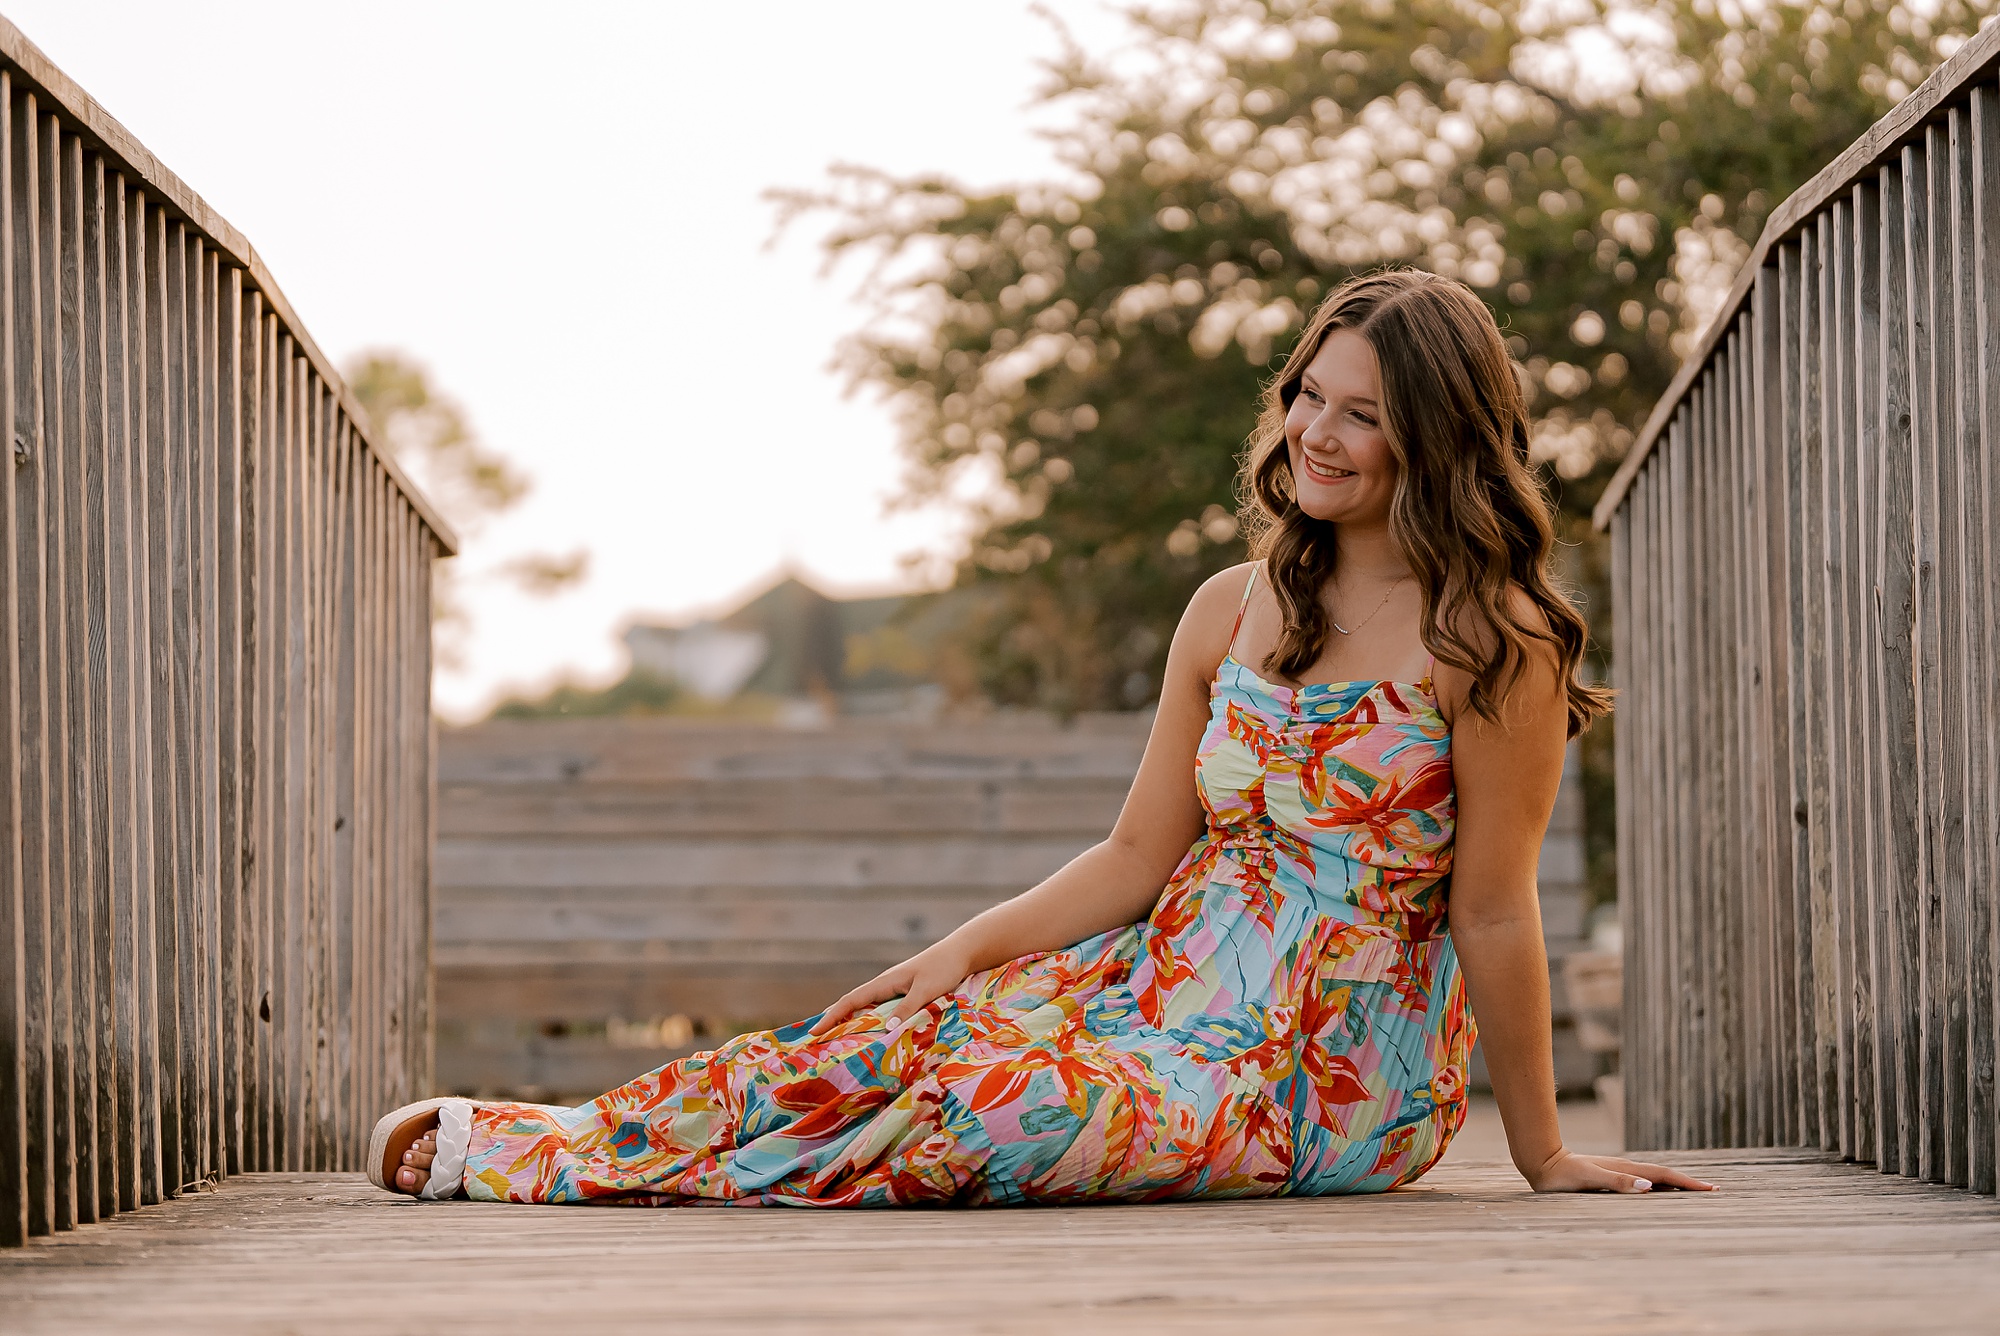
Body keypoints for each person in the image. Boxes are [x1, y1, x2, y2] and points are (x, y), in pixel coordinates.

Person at [367, 267, 1713, 1205]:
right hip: (1156, 997)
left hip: (1325, 1071)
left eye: (1364, 414)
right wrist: (955, 952)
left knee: (991, 1106)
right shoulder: (1230, 610)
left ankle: (556, 1166)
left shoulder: (1497, 640)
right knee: (895, 1045)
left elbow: (1494, 913)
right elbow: (1137, 854)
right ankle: (524, 1140)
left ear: (1439, 435)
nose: (1316, 432)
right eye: (1310, 393)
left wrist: (1544, 1152)